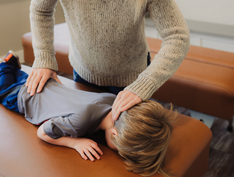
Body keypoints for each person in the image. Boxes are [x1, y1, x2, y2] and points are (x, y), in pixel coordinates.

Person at [27, 0, 190, 120]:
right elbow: (41, 10)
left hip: (133, 79)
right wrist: (44, 59)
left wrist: (144, 85)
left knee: (125, 143)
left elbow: (177, 36)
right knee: (86, 132)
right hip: (84, 72)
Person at [0, 51, 176, 177]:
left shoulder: (114, 100)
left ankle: (12, 65)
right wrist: (74, 143)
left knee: (21, 76)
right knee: (4, 89)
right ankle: (5, 66)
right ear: (114, 134)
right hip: (24, 97)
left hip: (44, 83)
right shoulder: (78, 124)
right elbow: (43, 132)